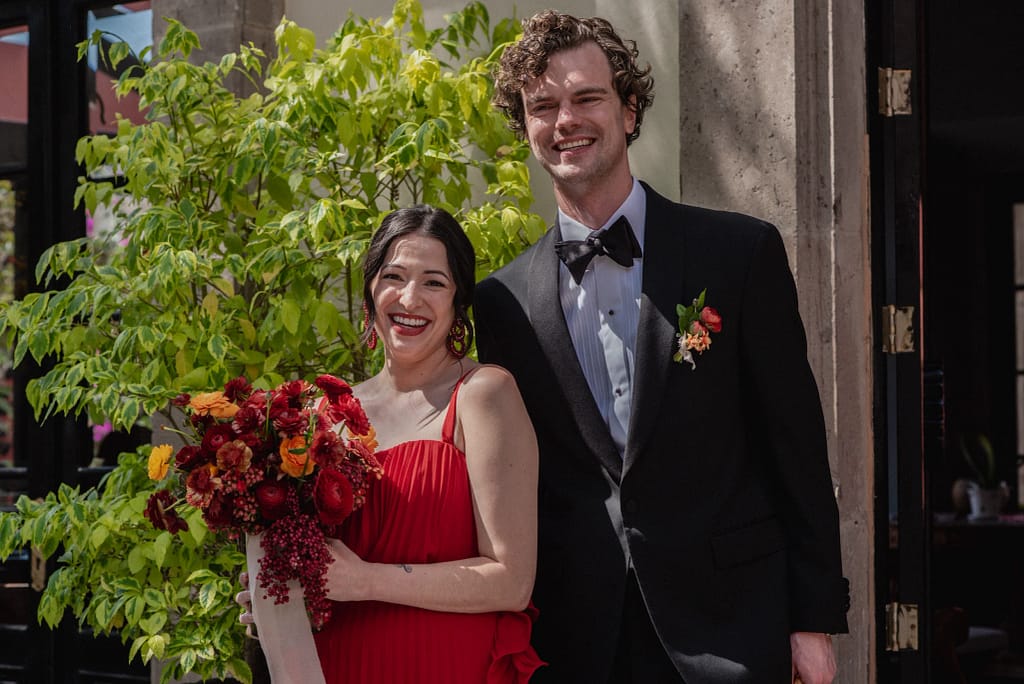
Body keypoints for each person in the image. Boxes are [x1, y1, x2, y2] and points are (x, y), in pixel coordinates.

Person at [474, 10, 849, 684]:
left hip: (731, 630)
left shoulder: (739, 253)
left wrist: (812, 620)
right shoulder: (500, 302)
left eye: (588, 97)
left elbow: (794, 445)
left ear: (630, 107)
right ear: (525, 128)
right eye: (543, 106)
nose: (566, 120)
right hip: (576, 641)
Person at [241, 205, 544, 683]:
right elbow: (318, 568)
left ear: (458, 300)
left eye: (433, 282)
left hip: (442, 666)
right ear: (370, 290)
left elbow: (511, 580)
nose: (409, 298)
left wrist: (364, 581)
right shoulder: (326, 415)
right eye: (394, 276)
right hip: (337, 664)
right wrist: (279, 591)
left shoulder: (483, 395)